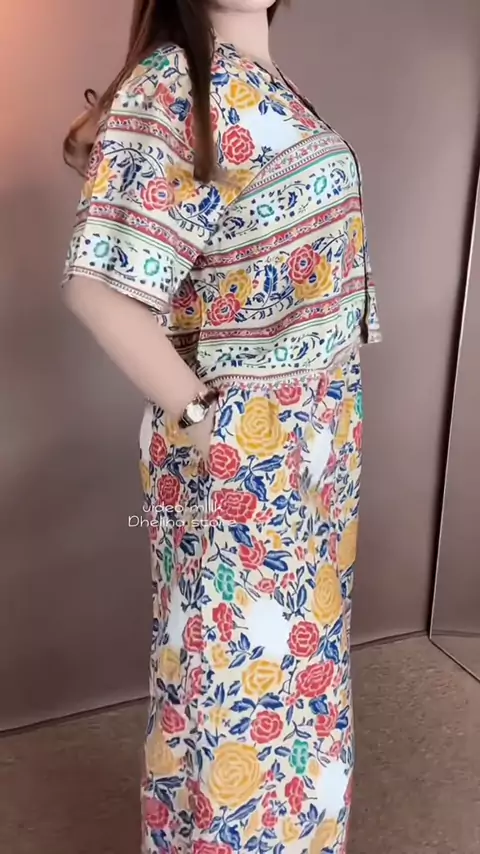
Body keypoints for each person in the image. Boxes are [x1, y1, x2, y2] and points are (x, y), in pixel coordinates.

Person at [62, 1, 382, 852]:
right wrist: (216, 430)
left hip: (318, 446)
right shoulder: (176, 85)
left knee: (299, 678)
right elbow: (98, 289)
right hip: (244, 454)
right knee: (236, 687)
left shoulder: (269, 84)